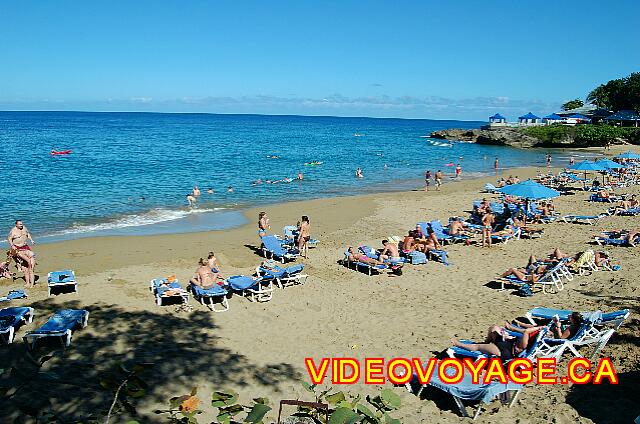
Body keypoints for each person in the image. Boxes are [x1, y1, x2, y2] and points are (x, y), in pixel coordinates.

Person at [452, 323, 545, 361]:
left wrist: (537, 328)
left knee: (477, 347)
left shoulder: (525, 344)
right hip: (507, 343)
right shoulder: (527, 340)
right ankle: (487, 342)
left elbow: (526, 331)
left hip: (505, 351)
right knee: (494, 328)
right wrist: (507, 336)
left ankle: (458, 344)